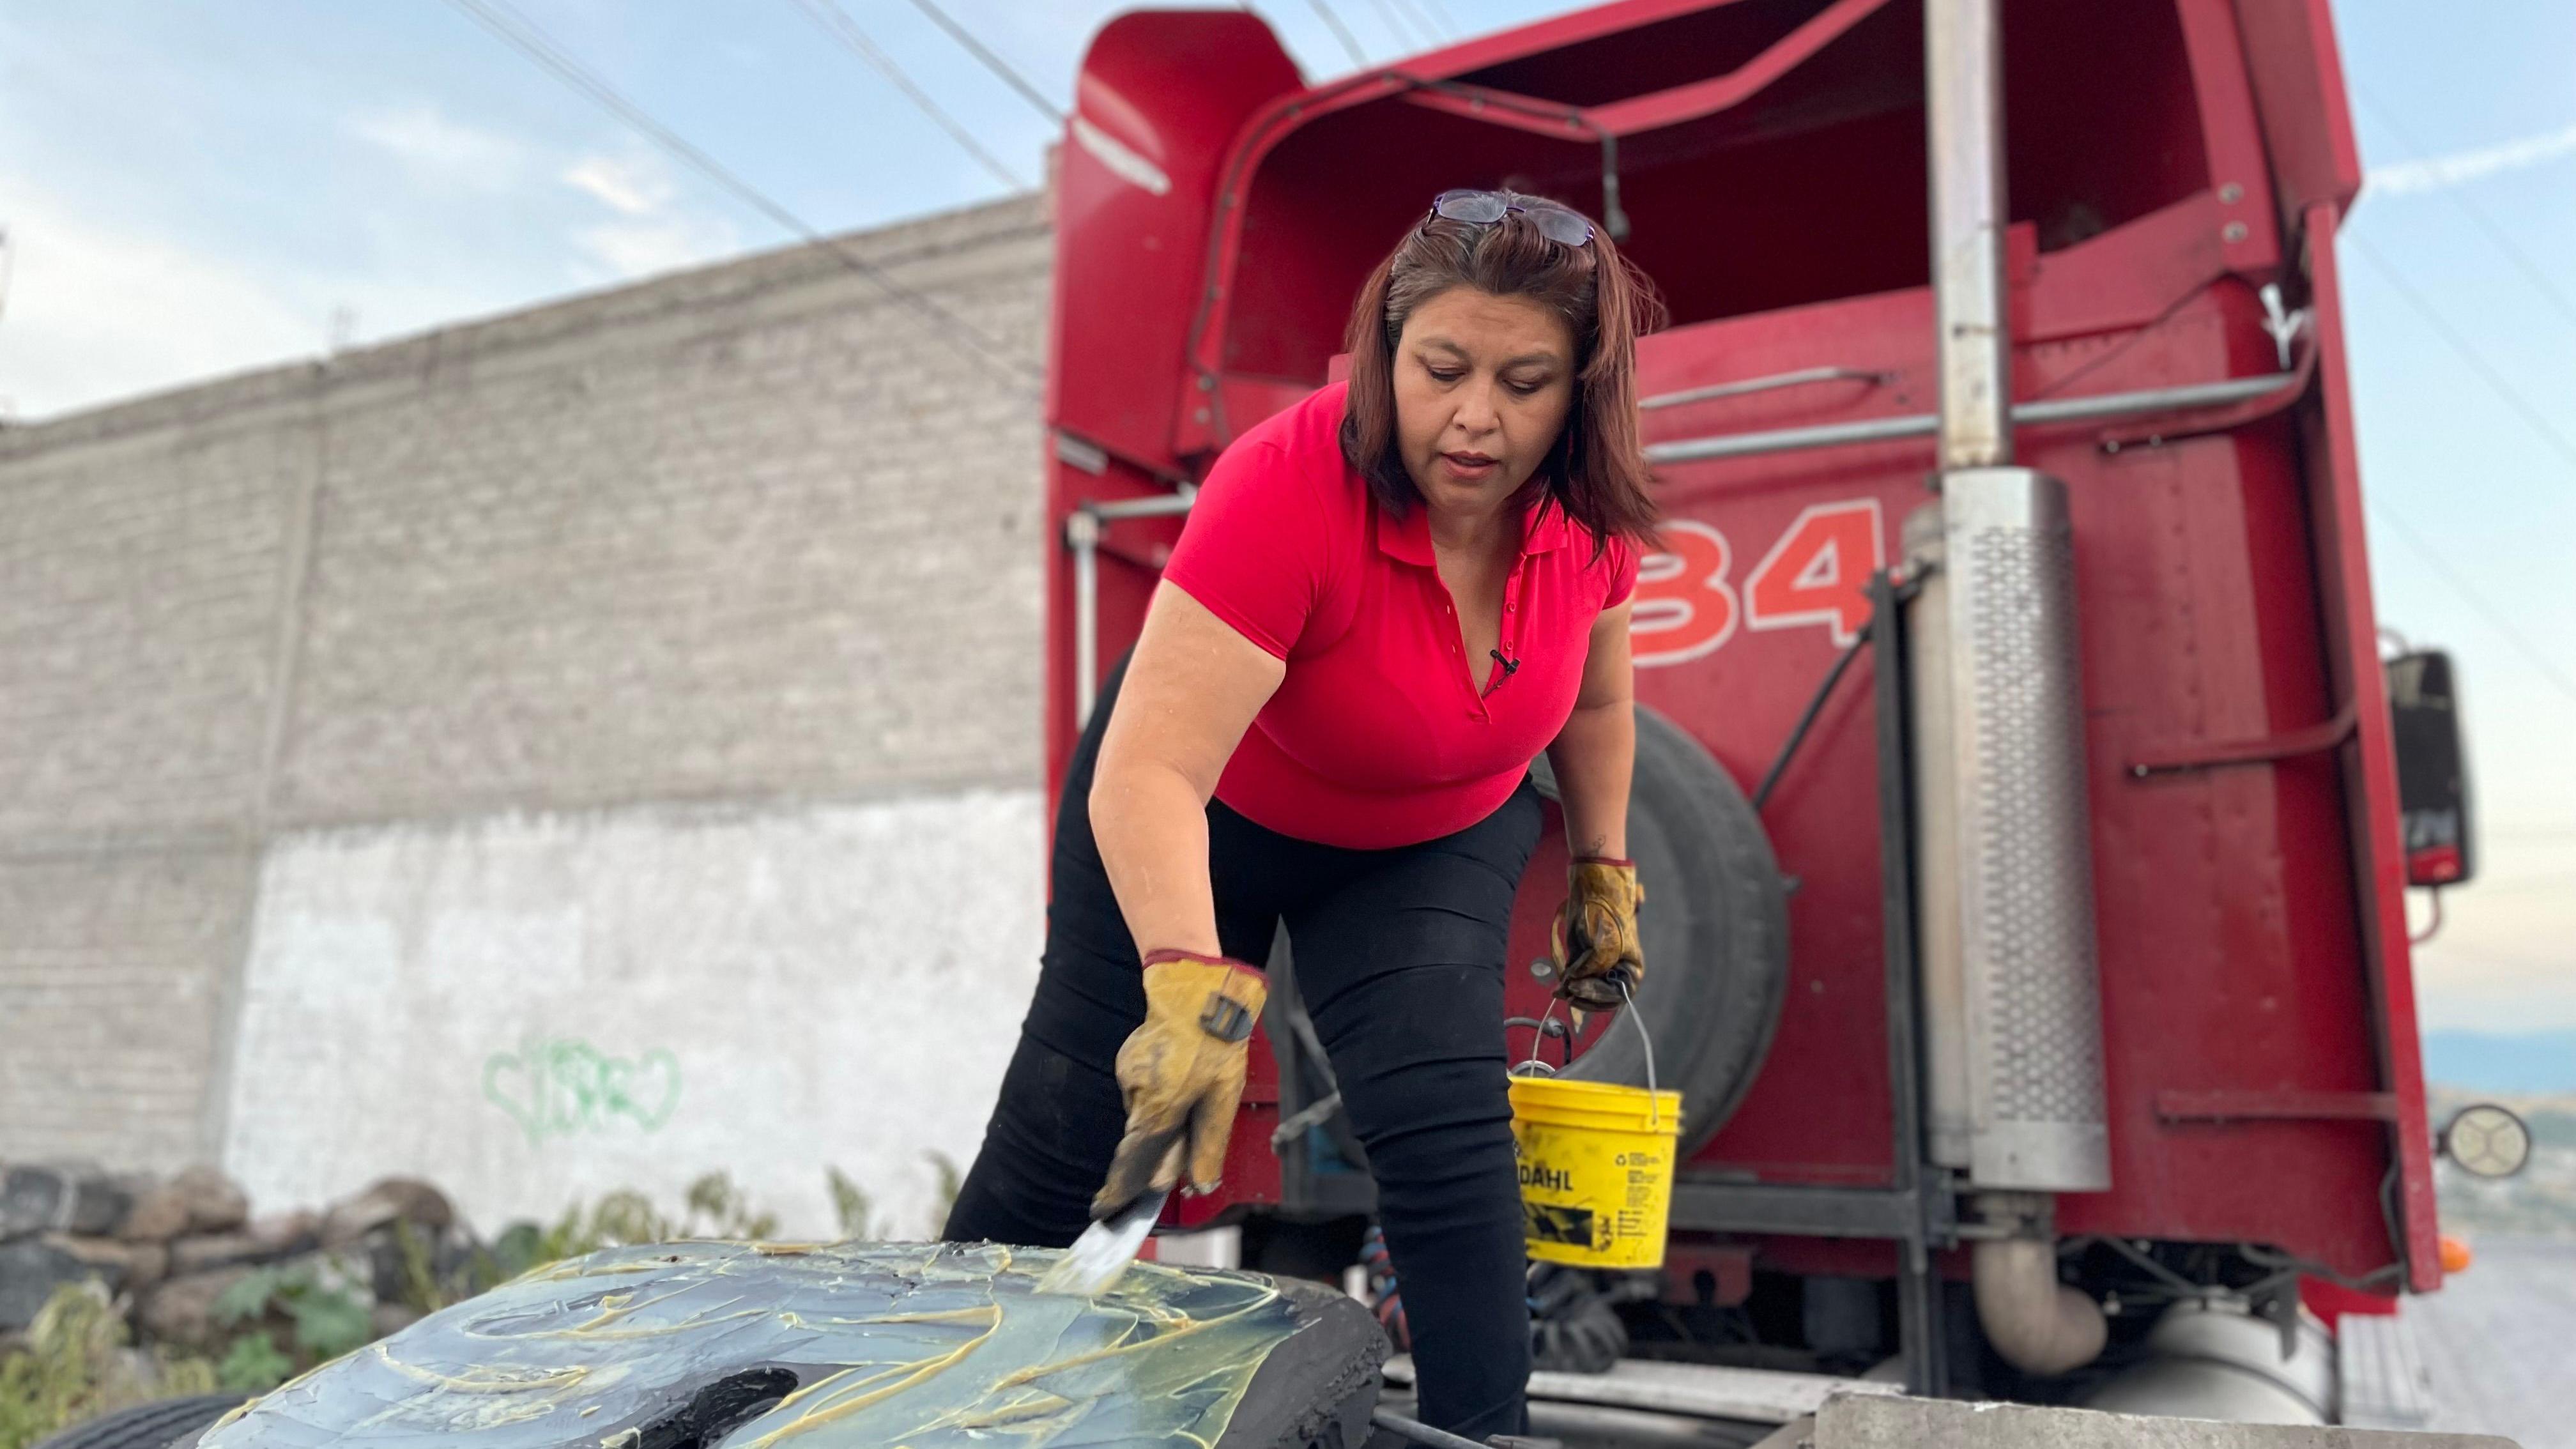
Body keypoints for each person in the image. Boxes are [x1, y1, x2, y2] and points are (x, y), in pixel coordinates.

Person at [945, 189, 1660, 1439]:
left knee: (1445, 1133)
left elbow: (1595, 709)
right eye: (1442, 368)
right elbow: (1148, 769)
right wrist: (1185, 981)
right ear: (1388, 355)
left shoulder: (1588, 518)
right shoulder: (1286, 486)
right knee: (1096, 1122)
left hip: (1428, 835)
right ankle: (943, 1398)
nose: (1478, 416)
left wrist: (1602, 868)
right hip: (1200, 810)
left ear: (1581, 393)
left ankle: (1482, 1435)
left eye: (1526, 380)